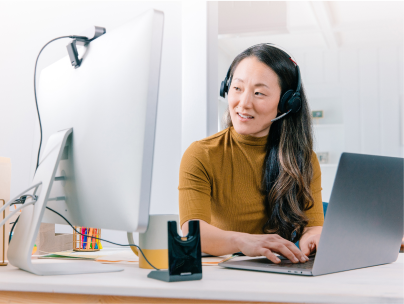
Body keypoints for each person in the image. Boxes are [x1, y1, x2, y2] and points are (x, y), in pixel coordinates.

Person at [178, 44, 324, 264]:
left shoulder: (303, 159)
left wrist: (314, 238)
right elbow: (193, 231)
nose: (243, 104)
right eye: (237, 88)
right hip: (224, 274)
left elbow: (313, 227)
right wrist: (243, 242)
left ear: (287, 103)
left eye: (259, 93)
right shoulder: (201, 154)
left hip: (284, 272)